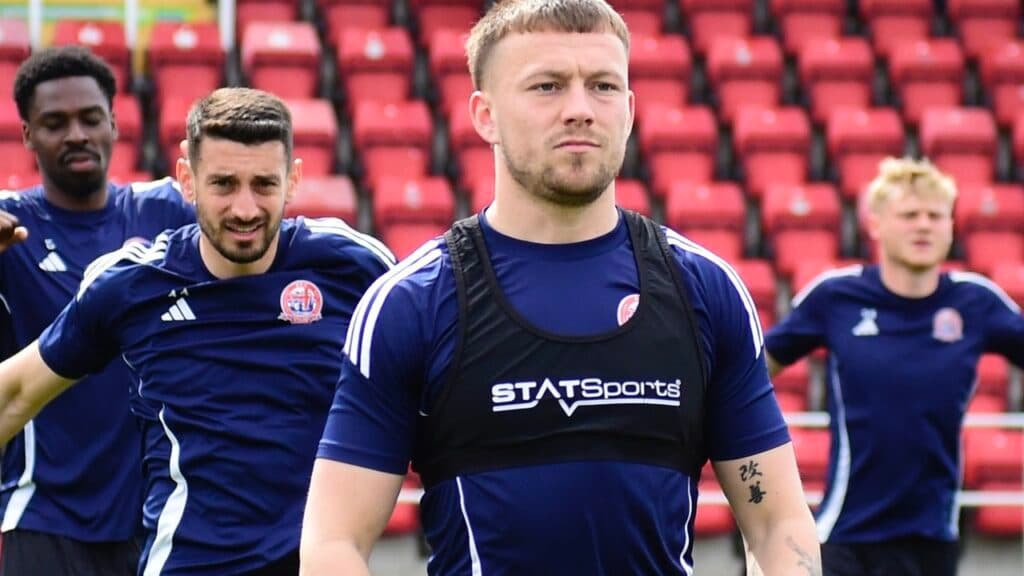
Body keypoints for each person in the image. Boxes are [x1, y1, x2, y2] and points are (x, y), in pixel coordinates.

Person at [299, 0, 820, 574]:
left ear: (628, 108)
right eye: (547, 86)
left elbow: (778, 526)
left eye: (602, 86)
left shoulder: (705, 289)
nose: (579, 110)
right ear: (484, 115)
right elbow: (333, 543)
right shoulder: (413, 303)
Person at [0, 87, 394, 575]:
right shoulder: (131, 284)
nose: (245, 209)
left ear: (293, 180)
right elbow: (14, 393)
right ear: (187, 179)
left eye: (264, 185)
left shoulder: (354, 267)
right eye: (224, 184)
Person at [763, 157, 1024, 576]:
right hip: (845, 538)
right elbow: (753, 371)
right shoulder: (835, 297)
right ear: (876, 224)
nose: (923, 225)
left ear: (952, 226)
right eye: (909, 215)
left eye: (936, 215)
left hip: (933, 539)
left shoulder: (976, 302)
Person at [0, 45, 195, 575]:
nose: (76, 135)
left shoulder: (168, 212)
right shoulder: (9, 227)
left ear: (114, 122)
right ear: (28, 137)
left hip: (156, 519)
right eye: (54, 123)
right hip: (45, 520)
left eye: (90, 118)